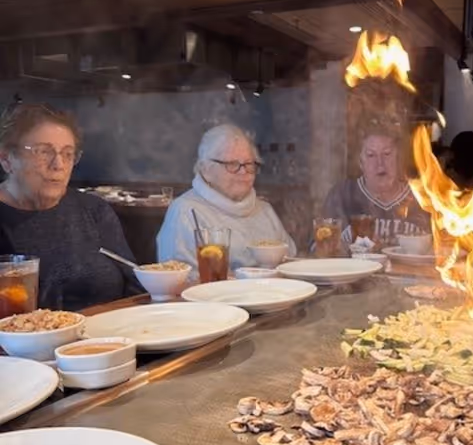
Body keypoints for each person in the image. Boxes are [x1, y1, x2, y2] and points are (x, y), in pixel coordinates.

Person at [0, 103, 139, 310]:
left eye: (67, 153)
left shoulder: (94, 210)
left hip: (109, 337)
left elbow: (134, 283)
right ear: (7, 159)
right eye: (43, 152)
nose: (58, 165)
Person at [157, 124, 295, 271]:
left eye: (248, 164)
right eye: (232, 164)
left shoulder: (265, 210)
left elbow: (291, 261)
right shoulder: (185, 211)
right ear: (206, 169)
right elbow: (179, 281)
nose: (243, 172)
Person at [322, 130, 430, 244]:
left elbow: (446, 250)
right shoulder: (342, 196)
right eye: (371, 155)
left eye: (387, 154)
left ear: (398, 158)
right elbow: (317, 250)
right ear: (360, 162)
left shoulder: (422, 197)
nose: (380, 163)